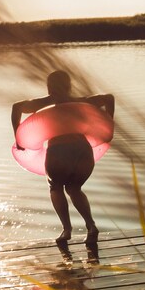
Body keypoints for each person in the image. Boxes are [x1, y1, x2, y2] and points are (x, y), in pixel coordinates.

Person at [11, 70, 115, 245]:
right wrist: (108, 125)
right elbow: (109, 98)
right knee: (74, 188)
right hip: (83, 151)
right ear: (69, 86)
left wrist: (18, 136)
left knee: (56, 187)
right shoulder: (81, 101)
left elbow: (17, 107)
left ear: (49, 86)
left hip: (59, 151)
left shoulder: (45, 102)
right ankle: (91, 225)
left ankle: (67, 230)